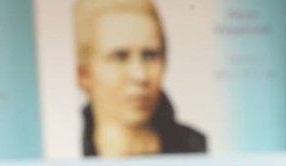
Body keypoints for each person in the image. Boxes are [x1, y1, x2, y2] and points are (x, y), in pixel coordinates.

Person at [73, 0, 206, 157]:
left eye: (150, 55)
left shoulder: (200, 150)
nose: (140, 75)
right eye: (120, 57)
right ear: (84, 74)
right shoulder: (64, 150)